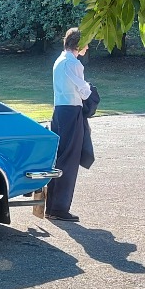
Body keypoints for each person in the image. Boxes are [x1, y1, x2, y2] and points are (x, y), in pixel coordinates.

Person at [45, 28, 94, 222]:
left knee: (59, 157)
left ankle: (52, 207)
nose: (88, 47)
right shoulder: (73, 63)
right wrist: (92, 91)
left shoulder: (59, 60)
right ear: (79, 44)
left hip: (59, 111)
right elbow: (83, 91)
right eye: (86, 43)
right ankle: (59, 208)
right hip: (71, 112)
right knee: (69, 160)